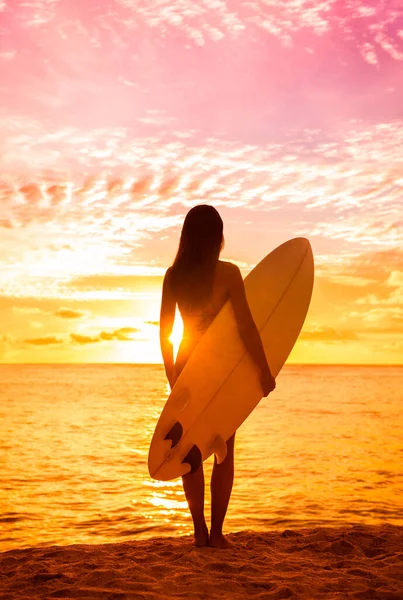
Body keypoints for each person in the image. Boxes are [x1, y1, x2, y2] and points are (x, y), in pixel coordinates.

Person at [159, 205, 275, 549]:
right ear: (217, 237)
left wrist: (173, 379)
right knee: (224, 451)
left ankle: (198, 531)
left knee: (190, 452)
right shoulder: (228, 274)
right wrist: (263, 371)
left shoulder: (173, 275)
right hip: (222, 370)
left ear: (187, 237)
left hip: (187, 368)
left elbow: (165, 335)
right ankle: (217, 533)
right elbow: (246, 328)